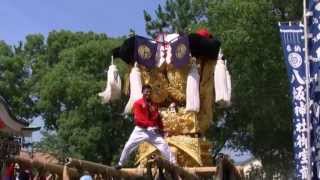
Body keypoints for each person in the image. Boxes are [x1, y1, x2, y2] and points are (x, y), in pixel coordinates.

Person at [115, 84, 176, 169]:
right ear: (142, 92)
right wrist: (150, 125)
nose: (148, 93)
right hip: (140, 130)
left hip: (151, 131)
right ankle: (121, 163)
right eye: (146, 91)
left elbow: (158, 119)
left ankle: (173, 164)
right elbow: (138, 120)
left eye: (150, 92)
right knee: (128, 145)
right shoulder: (138, 103)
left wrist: (161, 130)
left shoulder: (154, 105)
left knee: (163, 144)